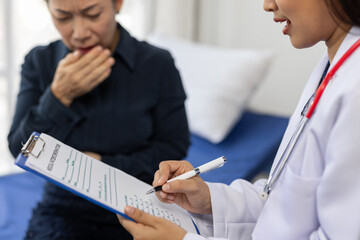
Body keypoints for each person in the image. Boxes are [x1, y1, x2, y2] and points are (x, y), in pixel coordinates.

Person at [117, 0, 360, 239]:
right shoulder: (331, 66)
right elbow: (281, 204)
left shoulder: (354, 88)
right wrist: (209, 200)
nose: (267, 5)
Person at [8, 0, 190, 239]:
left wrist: (100, 166)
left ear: (118, 4)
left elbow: (174, 146)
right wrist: (59, 96)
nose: (80, 33)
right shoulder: (39, 62)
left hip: (140, 205)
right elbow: (19, 149)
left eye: (92, 14)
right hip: (62, 208)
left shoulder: (157, 64)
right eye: (62, 17)